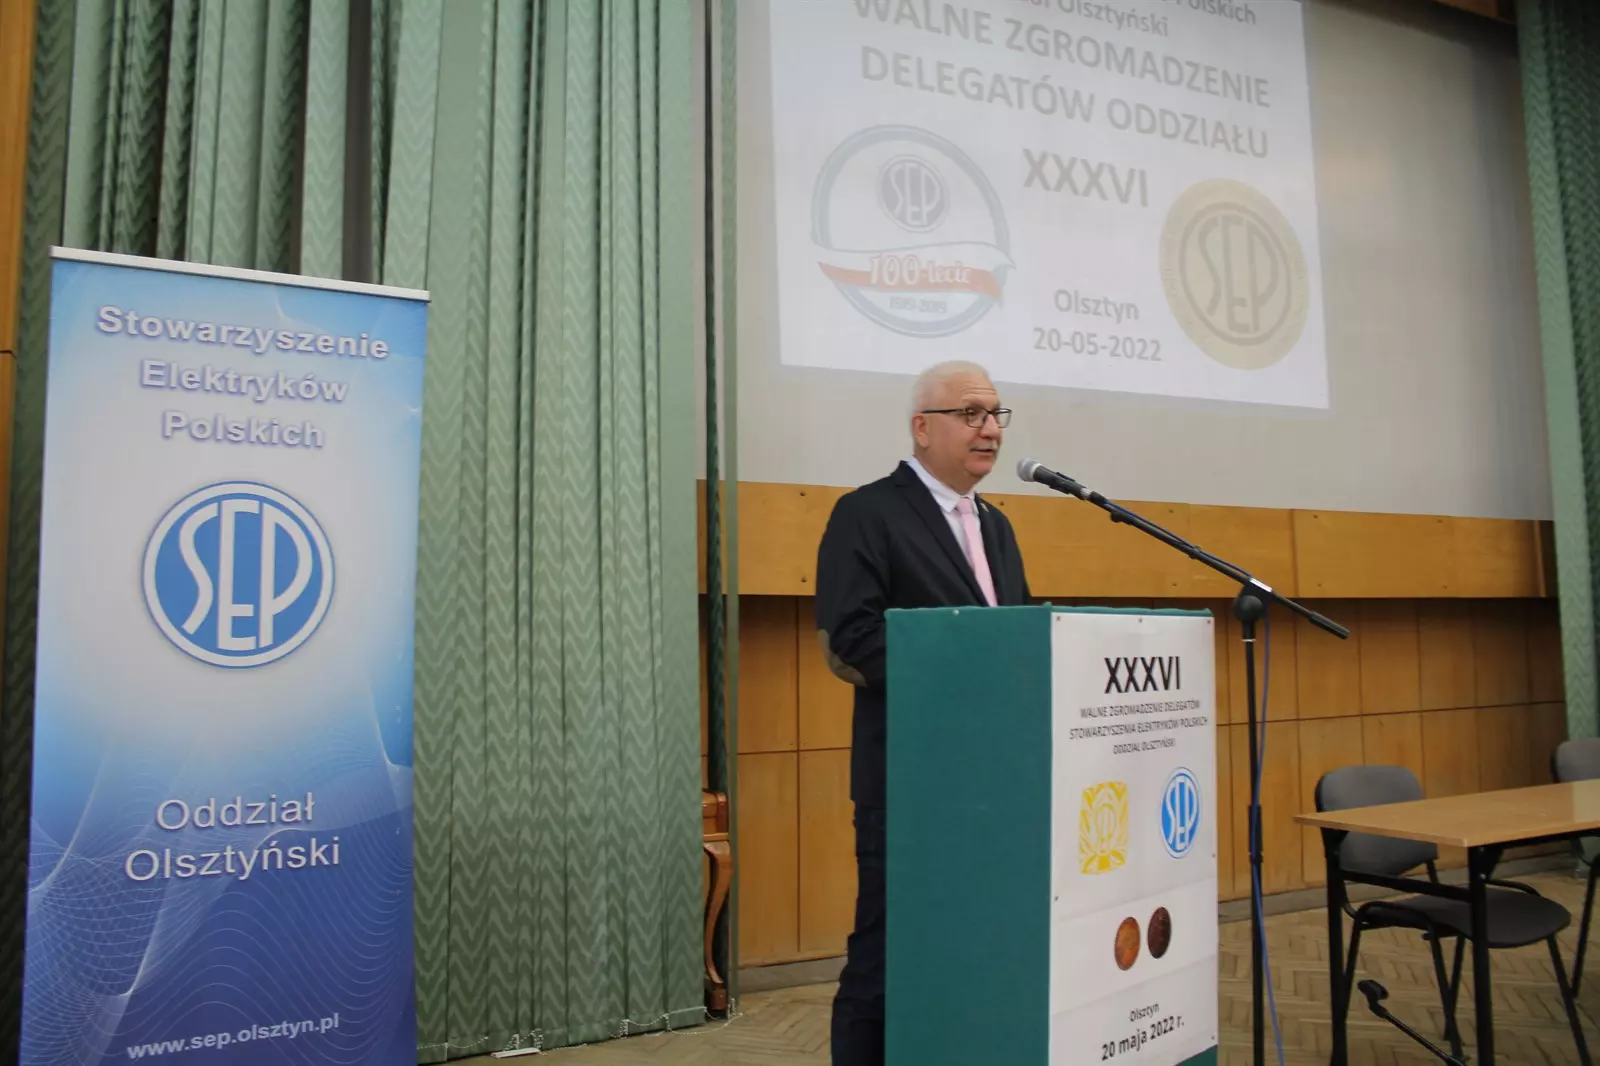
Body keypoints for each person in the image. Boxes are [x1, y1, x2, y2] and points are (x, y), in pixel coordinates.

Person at [814, 360, 1032, 1066]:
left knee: (972, 951)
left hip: (992, 787)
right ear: (922, 427)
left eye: (995, 414)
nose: (989, 428)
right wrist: (966, 677)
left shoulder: (996, 526)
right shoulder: (867, 513)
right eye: (971, 413)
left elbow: (1015, 638)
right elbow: (849, 640)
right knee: (885, 958)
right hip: (911, 783)